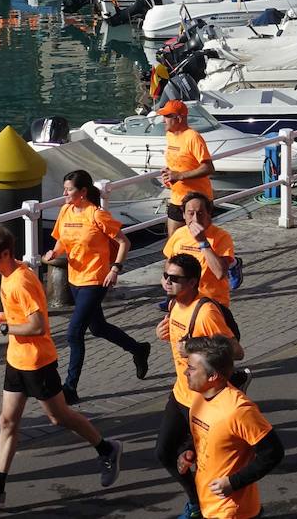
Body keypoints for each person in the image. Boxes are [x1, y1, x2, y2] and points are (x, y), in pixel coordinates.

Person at [0, 225, 122, 508]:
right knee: (7, 421)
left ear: (6, 254)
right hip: (16, 360)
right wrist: (7, 315)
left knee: (59, 418)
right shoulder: (7, 274)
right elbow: (25, 315)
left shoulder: (21, 281)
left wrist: (0, 328)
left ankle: (107, 449)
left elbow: (38, 326)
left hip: (37, 363)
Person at [45, 169, 151, 403]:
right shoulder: (65, 211)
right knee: (99, 328)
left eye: (69, 189)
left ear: (83, 192)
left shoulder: (97, 215)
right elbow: (62, 239)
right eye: (64, 188)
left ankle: (70, 388)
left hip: (96, 279)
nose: (64, 193)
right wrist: (55, 252)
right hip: (74, 278)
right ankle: (138, 349)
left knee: (74, 333)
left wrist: (115, 269)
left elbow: (124, 241)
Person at [156, 253, 247, 519]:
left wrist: (196, 347)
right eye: (165, 276)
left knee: (205, 462)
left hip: (204, 400)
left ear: (194, 281)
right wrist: (160, 333)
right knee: (163, 452)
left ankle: (228, 508)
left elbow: (237, 352)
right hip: (181, 394)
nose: (167, 282)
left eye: (175, 278)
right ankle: (197, 501)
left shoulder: (206, 312)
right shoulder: (174, 304)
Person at [177, 336, 283, 519]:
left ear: (213, 376)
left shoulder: (239, 410)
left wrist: (233, 482)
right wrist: (189, 451)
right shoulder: (200, 397)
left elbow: (273, 452)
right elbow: (205, 434)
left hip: (233, 510)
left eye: (192, 368)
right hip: (208, 502)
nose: (186, 372)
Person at [159, 99, 216, 237]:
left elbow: (208, 168)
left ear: (178, 118)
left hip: (198, 200)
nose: (162, 120)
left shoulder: (193, 137)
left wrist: (179, 176)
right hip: (177, 198)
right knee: (174, 240)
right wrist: (168, 175)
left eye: (167, 116)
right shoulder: (170, 135)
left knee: (200, 238)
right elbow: (179, 163)